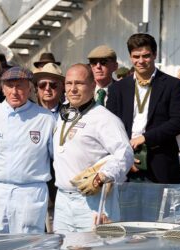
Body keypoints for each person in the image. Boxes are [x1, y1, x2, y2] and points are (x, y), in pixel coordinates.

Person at [0, 66, 54, 235]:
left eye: (20, 86)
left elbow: (60, 158)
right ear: (3, 88)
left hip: (31, 195)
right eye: (10, 86)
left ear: (30, 88)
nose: (15, 91)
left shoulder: (45, 119)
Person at [52, 64, 133, 232]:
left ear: (93, 85)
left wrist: (104, 175)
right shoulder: (63, 114)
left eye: (79, 83)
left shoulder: (105, 118)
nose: (73, 89)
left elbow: (125, 153)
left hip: (92, 202)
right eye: (69, 83)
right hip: (62, 200)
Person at [107, 33, 180, 183]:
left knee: (159, 207)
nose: (141, 61)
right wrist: (125, 155)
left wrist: (145, 138)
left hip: (160, 161)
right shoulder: (118, 88)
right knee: (126, 206)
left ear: (155, 54)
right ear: (130, 57)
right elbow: (110, 126)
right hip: (124, 161)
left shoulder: (172, 85)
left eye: (146, 56)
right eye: (136, 56)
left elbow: (179, 122)